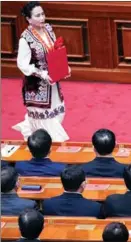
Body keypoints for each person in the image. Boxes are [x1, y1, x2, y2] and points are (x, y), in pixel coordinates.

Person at [13, 1, 70, 142]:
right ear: (28, 18)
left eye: (42, 14)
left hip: (53, 82)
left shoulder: (48, 29)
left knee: (57, 112)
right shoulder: (25, 39)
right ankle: (50, 143)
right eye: (37, 15)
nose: (42, 18)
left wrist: (63, 67)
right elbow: (23, 64)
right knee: (44, 118)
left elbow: (55, 51)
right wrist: (43, 74)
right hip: (37, 86)